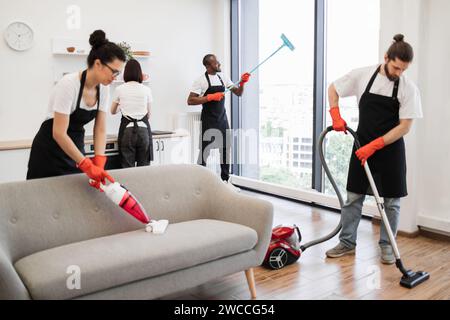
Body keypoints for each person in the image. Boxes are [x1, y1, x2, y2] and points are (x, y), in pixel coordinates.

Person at [326, 34, 423, 264]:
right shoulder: (363, 75)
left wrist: (377, 145)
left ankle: (387, 246)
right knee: (353, 196)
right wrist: (335, 114)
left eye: (403, 69)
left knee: (391, 202)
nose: (399, 73)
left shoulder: (408, 88)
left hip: (390, 149)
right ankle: (347, 243)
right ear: (386, 57)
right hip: (361, 145)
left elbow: (405, 127)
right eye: (396, 67)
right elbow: (333, 88)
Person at [27, 30, 126, 189]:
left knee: (76, 196)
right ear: (98, 64)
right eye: (114, 71)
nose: (116, 77)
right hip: (50, 149)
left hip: (74, 147)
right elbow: (58, 133)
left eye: (118, 73)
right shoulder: (69, 84)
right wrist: (86, 164)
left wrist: (99, 161)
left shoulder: (104, 89)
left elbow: (100, 128)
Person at [187, 54, 250, 186]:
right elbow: (190, 100)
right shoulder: (200, 81)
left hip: (222, 119)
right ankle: (200, 182)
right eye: (216, 63)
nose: (219, 64)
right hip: (209, 120)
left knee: (226, 150)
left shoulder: (223, 77)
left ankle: (225, 181)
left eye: (218, 62)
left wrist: (242, 82)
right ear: (208, 66)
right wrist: (209, 97)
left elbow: (238, 93)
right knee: (205, 151)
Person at [111, 59, 153, 168]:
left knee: (127, 168)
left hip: (127, 131)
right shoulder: (146, 89)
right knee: (143, 168)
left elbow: (112, 111)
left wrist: (122, 105)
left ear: (126, 73)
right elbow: (149, 115)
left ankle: (129, 186)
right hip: (143, 130)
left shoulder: (119, 89)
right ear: (140, 73)